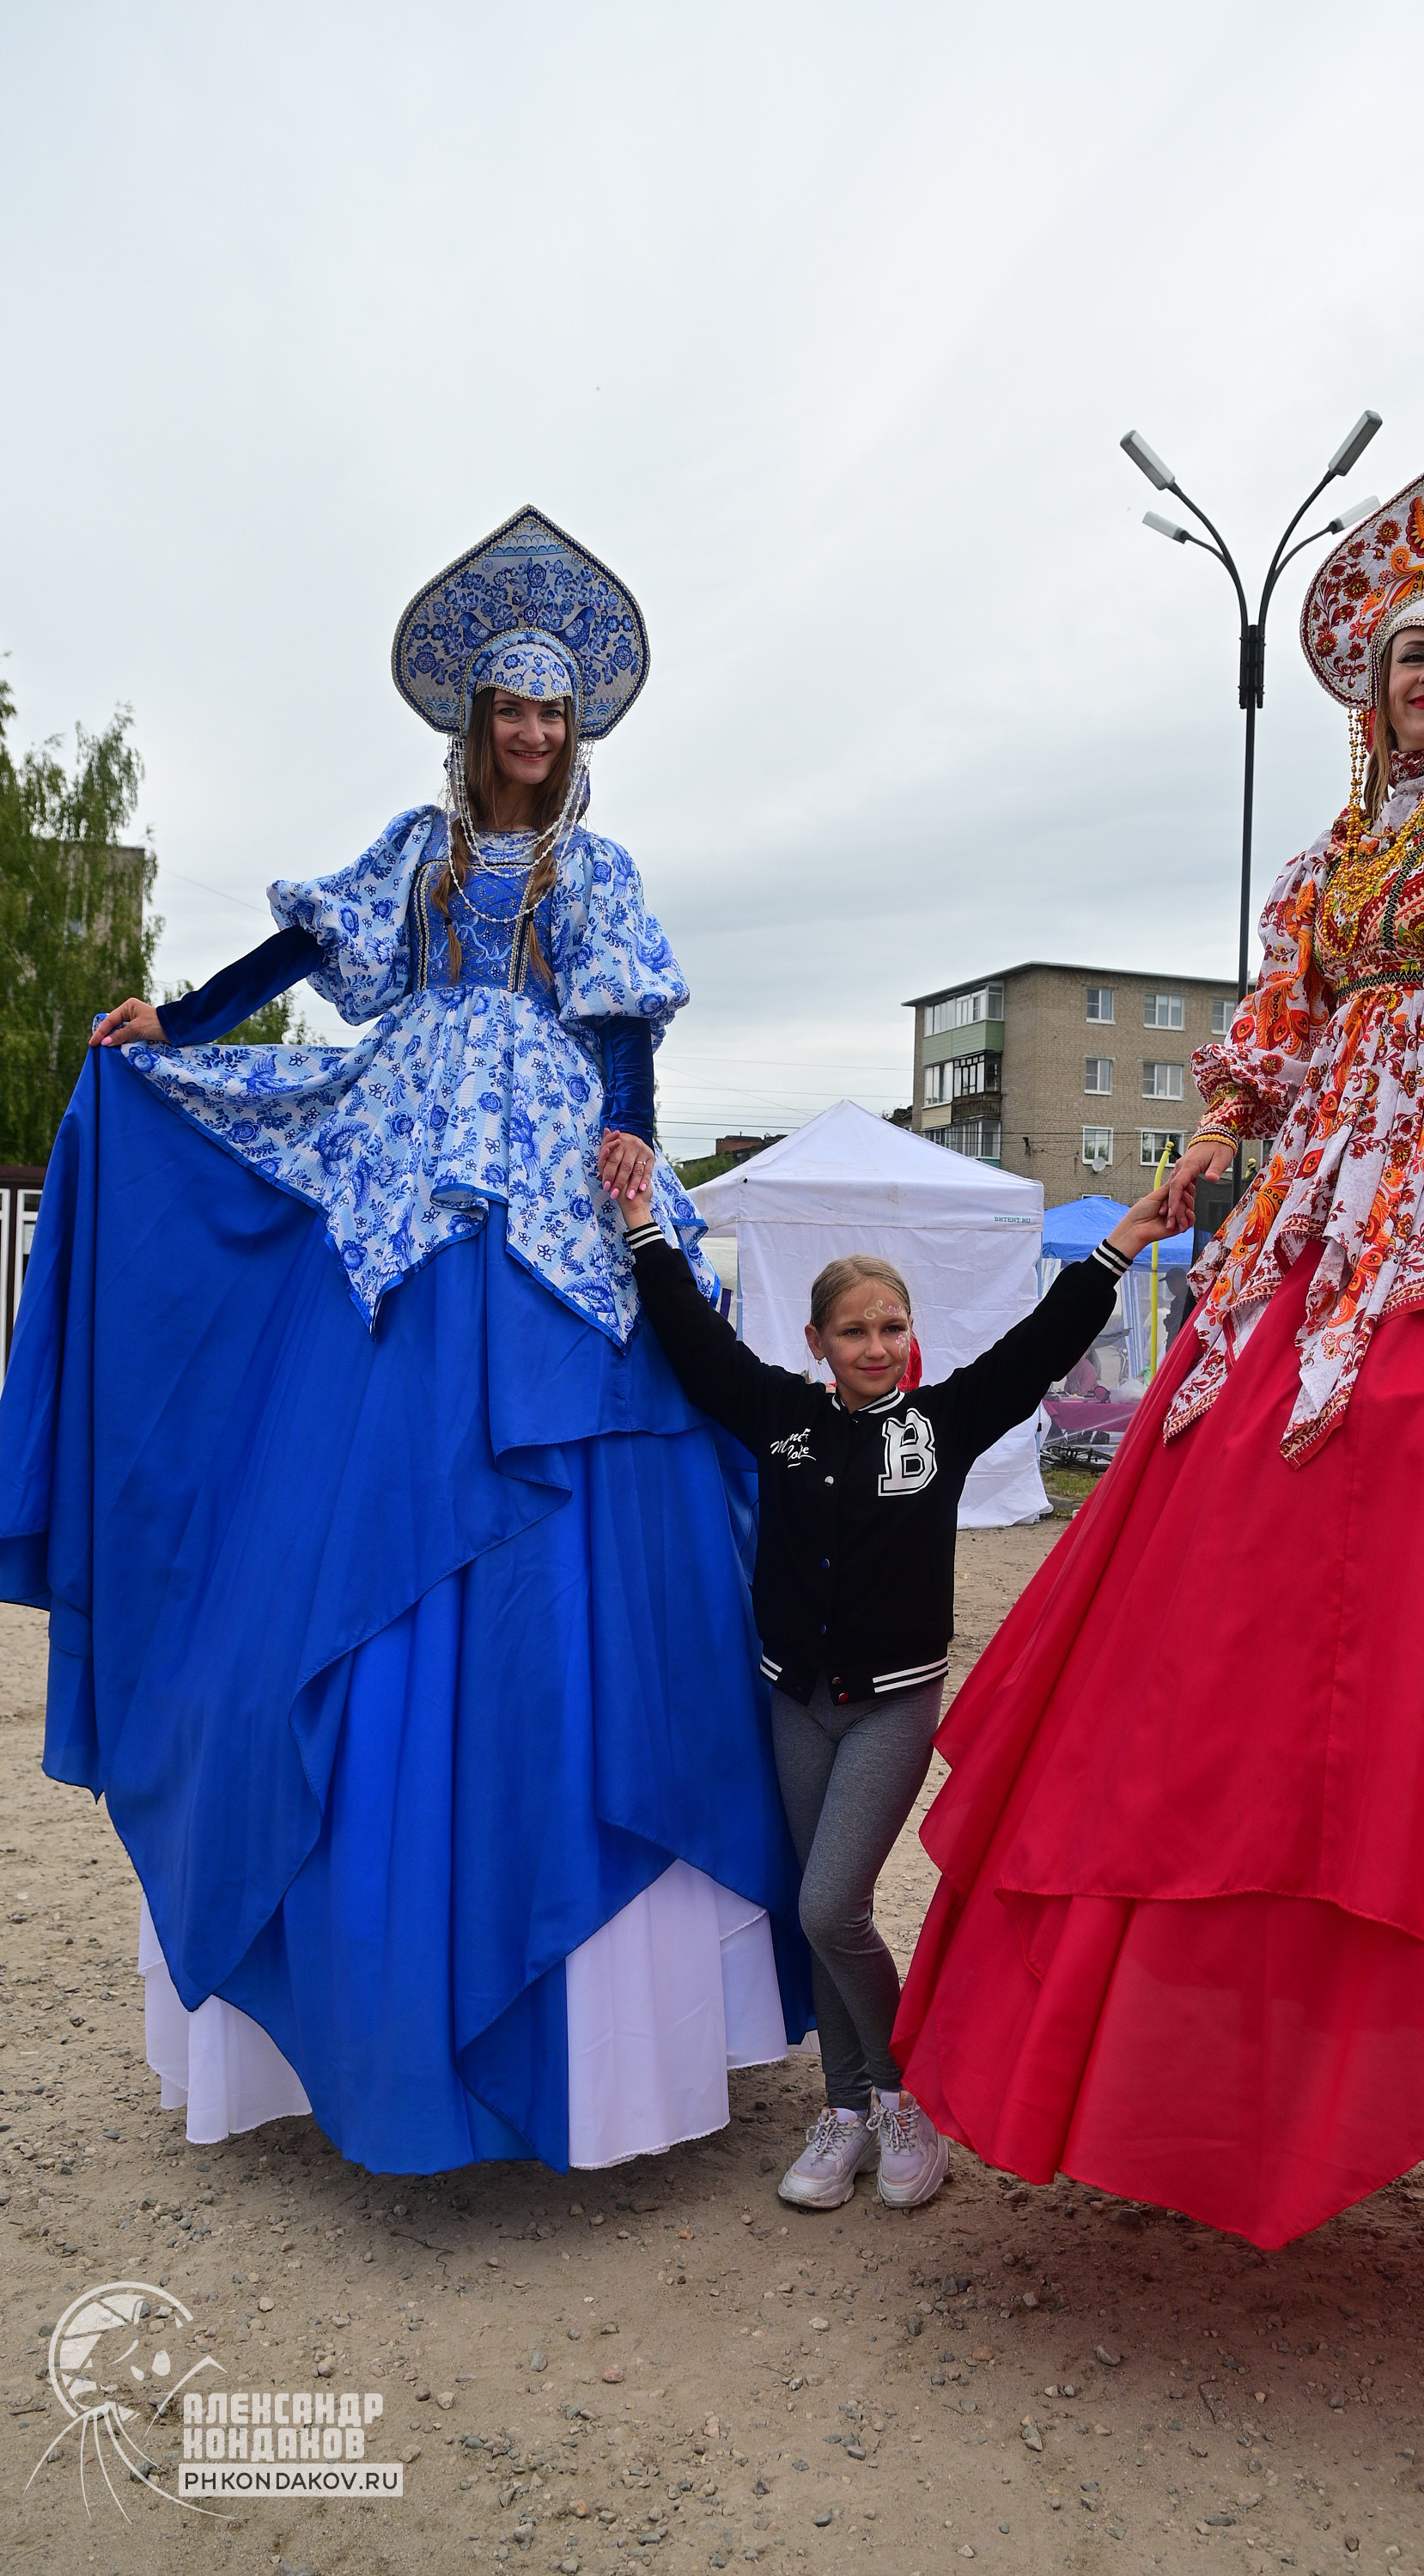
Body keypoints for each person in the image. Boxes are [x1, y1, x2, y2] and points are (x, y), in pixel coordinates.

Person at [893, 455, 1424, 2249]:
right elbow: (1271, 1022)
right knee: (1252, 1514)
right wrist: (1209, 1141)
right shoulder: (1331, 855)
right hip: (1325, 1186)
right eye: (1403, 654)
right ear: (1369, 685)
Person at [0, 505, 811, 2176]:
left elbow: (623, 1037)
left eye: (551, 713)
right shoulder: (420, 854)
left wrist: (632, 1163)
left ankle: (581, 1971)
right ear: (473, 727)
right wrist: (186, 1021)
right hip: (400, 1152)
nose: (530, 733)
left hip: (546, 1162)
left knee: (583, 1457)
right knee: (353, 1453)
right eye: (508, 711)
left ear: (572, 732)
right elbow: (305, 949)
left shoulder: (595, 872)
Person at [616, 1172, 1176, 2208]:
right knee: (813, 1908)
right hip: (794, 1701)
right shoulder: (777, 1413)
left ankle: (901, 2092)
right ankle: (843, 2114)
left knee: (832, 1903)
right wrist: (643, 1226)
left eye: (891, 1327)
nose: (876, 1346)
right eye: (853, 1331)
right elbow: (694, 1344)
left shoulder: (941, 1424)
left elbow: (1035, 1349)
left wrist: (1119, 1250)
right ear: (816, 1340)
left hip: (891, 1701)